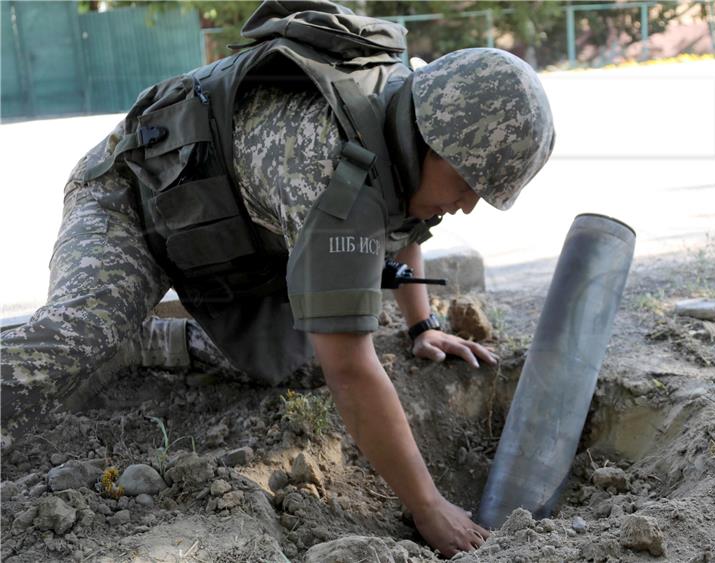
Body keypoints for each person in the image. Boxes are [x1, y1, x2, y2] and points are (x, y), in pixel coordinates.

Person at [1, 1, 554, 556]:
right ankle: (116, 331)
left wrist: (422, 325)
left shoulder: (411, 112)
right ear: (427, 137)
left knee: (292, 358)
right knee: (84, 333)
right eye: (464, 184)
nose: (465, 206)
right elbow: (352, 371)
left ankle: (151, 340)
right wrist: (428, 506)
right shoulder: (337, 180)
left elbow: (408, 215)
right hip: (126, 197)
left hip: (225, 233)